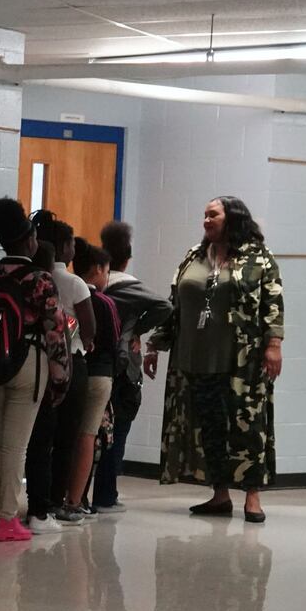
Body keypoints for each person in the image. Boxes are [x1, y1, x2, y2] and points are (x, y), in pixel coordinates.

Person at [146, 196, 284, 523]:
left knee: (248, 428)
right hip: (194, 358)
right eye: (204, 215)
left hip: (242, 361)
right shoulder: (194, 255)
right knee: (209, 429)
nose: (206, 220)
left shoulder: (259, 258)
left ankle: (252, 497)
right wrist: (155, 343)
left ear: (232, 218)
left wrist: (274, 344)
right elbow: (173, 304)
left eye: (213, 215)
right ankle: (219, 495)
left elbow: (273, 302)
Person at [0, 198, 67, 543]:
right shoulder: (40, 280)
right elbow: (56, 331)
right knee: (16, 447)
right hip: (28, 364)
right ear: (30, 241)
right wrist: (60, 378)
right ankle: (7, 519)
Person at [94, 220, 172, 513]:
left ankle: (79, 496)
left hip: (94, 366)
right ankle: (106, 495)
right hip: (123, 369)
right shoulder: (129, 287)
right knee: (118, 431)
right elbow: (165, 307)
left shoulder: (92, 284)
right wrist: (138, 329)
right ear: (127, 258)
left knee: (91, 431)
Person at [24, 213, 91, 533]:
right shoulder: (73, 282)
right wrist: (85, 342)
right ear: (64, 247)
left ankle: (33, 501)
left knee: (38, 437)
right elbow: (90, 328)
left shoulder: (30, 277)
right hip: (70, 361)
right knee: (66, 437)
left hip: (34, 366)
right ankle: (55, 501)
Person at [56, 242, 117, 524]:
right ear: (97, 270)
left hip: (65, 371)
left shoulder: (56, 287)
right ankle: (75, 500)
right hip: (96, 375)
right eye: (107, 270)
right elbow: (111, 342)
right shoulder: (104, 303)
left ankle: (52, 496)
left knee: (61, 434)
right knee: (87, 436)